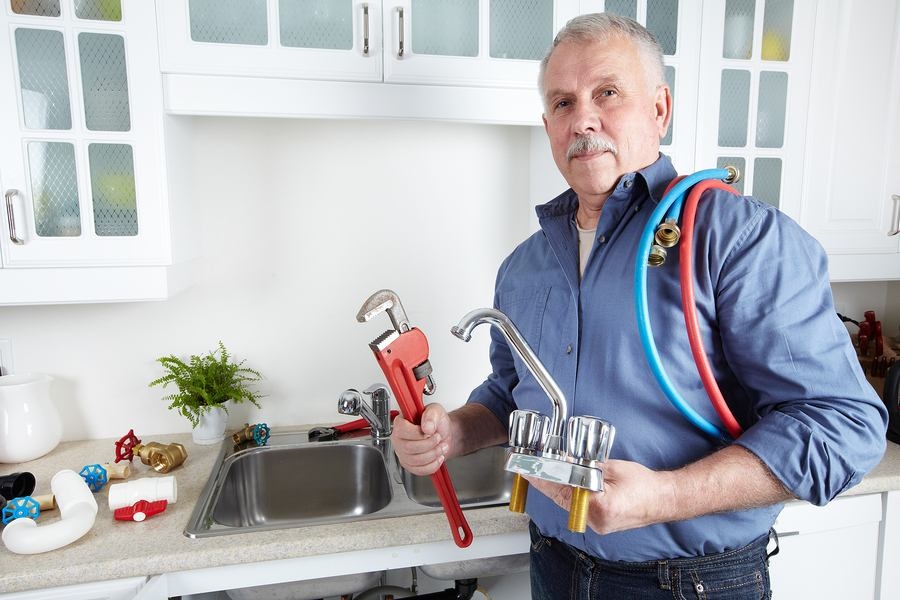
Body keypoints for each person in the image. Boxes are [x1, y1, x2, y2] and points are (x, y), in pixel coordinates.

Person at [391, 13, 888, 599]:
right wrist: (452, 431)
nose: (583, 119)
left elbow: (843, 428)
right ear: (548, 124)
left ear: (660, 109)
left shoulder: (741, 239)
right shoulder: (523, 266)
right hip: (554, 565)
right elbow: (510, 393)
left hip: (692, 582)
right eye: (562, 102)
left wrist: (665, 496)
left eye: (607, 93)